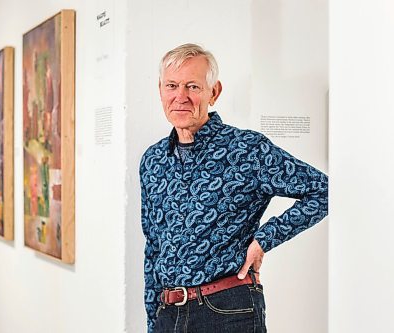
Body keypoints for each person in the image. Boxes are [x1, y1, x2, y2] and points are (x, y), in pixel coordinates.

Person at [139, 43, 328, 333]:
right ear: (160, 90)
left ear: (214, 92)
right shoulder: (152, 160)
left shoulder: (247, 150)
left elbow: (322, 190)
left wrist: (265, 238)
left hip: (227, 310)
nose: (181, 97)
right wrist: (154, 321)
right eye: (172, 85)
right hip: (169, 312)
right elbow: (153, 247)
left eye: (193, 86)